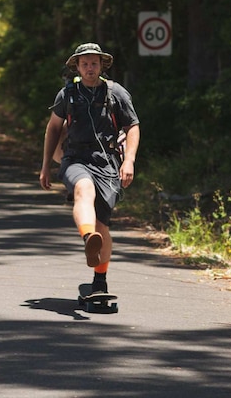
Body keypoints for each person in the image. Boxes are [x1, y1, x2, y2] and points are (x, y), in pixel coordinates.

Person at [39, 43, 140, 295]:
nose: (89, 68)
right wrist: (45, 167)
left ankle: (100, 280)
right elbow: (52, 129)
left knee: (102, 226)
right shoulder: (67, 94)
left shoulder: (116, 93)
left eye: (94, 63)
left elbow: (133, 126)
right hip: (75, 158)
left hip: (107, 163)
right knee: (84, 190)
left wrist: (129, 160)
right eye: (84, 64)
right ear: (77, 67)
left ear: (102, 65)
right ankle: (88, 238)